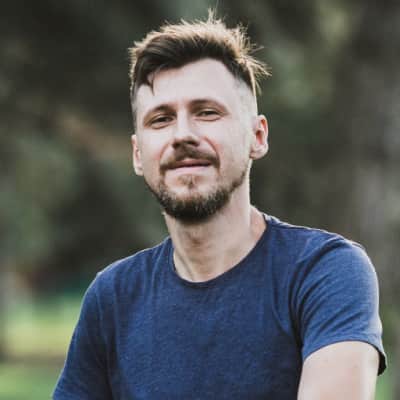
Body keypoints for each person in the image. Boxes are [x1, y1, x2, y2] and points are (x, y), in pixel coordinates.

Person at [53, 14, 386, 400]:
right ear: (138, 153)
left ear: (257, 136)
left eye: (207, 112)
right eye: (161, 119)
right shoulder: (112, 298)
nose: (182, 135)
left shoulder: (324, 273)